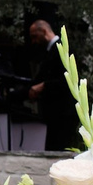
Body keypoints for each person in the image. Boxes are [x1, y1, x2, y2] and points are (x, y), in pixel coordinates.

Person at [24, 17, 72, 150]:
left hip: (63, 114)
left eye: (35, 36)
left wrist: (43, 86)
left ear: (44, 31)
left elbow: (66, 81)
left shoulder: (62, 50)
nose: (34, 41)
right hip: (53, 115)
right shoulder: (49, 52)